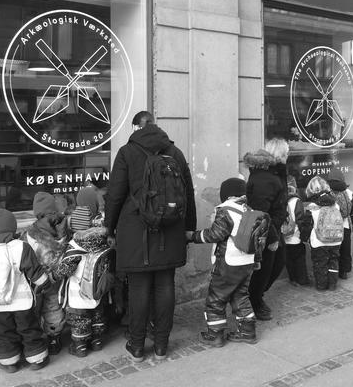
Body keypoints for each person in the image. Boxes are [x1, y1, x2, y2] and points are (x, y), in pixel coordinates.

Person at [104, 111, 197, 361]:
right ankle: (161, 345)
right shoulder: (174, 153)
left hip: (135, 230)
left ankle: (136, 345)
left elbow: (115, 194)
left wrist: (108, 226)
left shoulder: (127, 152)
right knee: (165, 284)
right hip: (171, 229)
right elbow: (187, 193)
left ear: (136, 129)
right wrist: (189, 227)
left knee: (138, 287)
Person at [186, 177, 268, 347]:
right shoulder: (248, 210)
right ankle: (247, 331)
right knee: (241, 296)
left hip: (228, 263)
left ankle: (215, 335)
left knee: (216, 298)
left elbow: (215, 234)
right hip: (247, 262)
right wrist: (257, 261)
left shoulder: (226, 210)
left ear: (226, 194)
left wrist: (192, 236)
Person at [0, 208, 50, 373]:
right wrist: (45, 284)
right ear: (13, 228)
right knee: (29, 329)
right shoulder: (22, 247)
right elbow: (36, 273)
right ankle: (37, 358)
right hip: (21, 302)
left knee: (4, 332)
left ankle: (9, 361)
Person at [244, 138, 289, 321]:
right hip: (265, 229)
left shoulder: (274, 173)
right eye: (286, 153)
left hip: (272, 226)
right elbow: (260, 212)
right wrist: (271, 237)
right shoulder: (266, 177)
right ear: (279, 154)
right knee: (264, 267)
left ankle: (256, 297)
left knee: (275, 263)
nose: (288, 156)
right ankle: (254, 300)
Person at [55, 209, 110, 358]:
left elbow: (63, 271)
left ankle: (80, 347)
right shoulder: (103, 242)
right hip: (98, 291)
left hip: (78, 295)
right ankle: (97, 341)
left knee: (80, 320)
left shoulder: (75, 246)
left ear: (74, 227)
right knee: (97, 315)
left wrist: (55, 272)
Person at [21, 191, 70, 354]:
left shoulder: (31, 233)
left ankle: (35, 339)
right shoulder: (64, 226)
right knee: (53, 305)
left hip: (39, 278)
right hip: (59, 276)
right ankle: (54, 337)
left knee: (36, 307)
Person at [300, 176, 342, 291]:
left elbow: (307, 225)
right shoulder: (335, 204)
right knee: (333, 261)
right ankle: (333, 284)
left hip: (319, 240)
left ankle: (322, 285)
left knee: (320, 263)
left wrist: (304, 238)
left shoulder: (312, 207)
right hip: (335, 239)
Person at [327, 169, 353, 280]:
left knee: (333, 251)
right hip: (345, 226)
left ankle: (332, 273)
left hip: (330, 227)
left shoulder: (326, 192)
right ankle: (344, 271)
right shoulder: (349, 193)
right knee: (345, 250)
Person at [283, 180, 309, 286]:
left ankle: (292, 278)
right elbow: (300, 219)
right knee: (299, 259)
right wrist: (304, 235)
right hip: (295, 236)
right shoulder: (296, 201)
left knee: (289, 259)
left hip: (284, 235)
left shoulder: (282, 201)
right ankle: (302, 280)